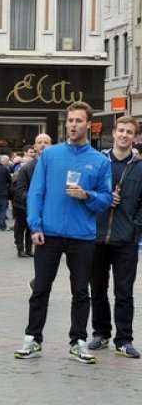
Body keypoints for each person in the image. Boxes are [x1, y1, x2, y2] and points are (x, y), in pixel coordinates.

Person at [14, 101, 112, 364]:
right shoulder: (50, 155)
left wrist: (86, 195)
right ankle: (32, 339)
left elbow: (105, 200)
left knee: (81, 291)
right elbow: (36, 193)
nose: (73, 125)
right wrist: (35, 225)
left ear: (88, 125)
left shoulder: (99, 161)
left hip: (82, 236)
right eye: (70, 121)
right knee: (41, 289)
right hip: (49, 233)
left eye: (78, 121)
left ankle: (78, 341)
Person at [88, 116, 142, 359]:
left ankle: (124, 339)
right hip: (96, 237)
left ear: (135, 137)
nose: (124, 135)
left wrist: (134, 226)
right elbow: (86, 192)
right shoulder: (99, 161)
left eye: (129, 132)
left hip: (125, 240)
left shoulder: (139, 166)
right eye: (121, 130)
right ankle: (101, 333)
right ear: (114, 132)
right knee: (97, 289)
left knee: (124, 292)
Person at [13, 134, 52, 258]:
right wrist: (34, 198)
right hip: (25, 205)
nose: (43, 144)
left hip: (47, 206)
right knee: (22, 227)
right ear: (35, 147)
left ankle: (29, 249)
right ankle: (20, 249)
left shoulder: (55, 165)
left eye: (46, 142)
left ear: (51, 145)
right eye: (39, 142)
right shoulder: (28, 167)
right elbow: (20, 190)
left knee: (31, 229)